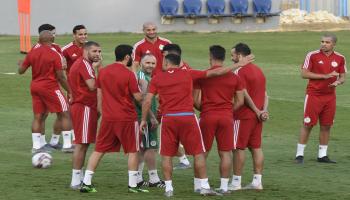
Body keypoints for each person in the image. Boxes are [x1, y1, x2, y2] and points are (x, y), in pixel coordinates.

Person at [140, 53, 252, 197]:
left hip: (169, 119)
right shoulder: (188, 74)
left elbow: (147, 101)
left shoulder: (157, 78)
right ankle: (204, 186)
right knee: (198, 153)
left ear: (166, 63)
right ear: (178, 62)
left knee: (167, 155)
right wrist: (238, 65)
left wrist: (144, 119)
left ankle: (169, 189)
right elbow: (216, 72)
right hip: (188, 117)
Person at [80, 45, 148, 193]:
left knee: (99, 150)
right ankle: (133, 185)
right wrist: (145, 91)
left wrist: (101, 111)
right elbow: (138, 98)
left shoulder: (103, 72)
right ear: (127, 57)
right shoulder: (129, 74)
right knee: (133, 150)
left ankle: (86, 182)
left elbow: (99, 93)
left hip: (108, 118)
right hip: (127, 118)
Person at [193, 45, 244, 194]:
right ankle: (224, 186)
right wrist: (228, 111)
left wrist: (205, 110)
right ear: (223, 58)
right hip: (227, 118)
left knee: (201, 152)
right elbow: (240, 101)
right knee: (225, 153)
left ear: (210, 57)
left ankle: (199, 184)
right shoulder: (235, 77)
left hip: (207, 117)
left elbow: (194, 100)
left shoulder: (203, 76)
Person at [294, 33, 346, 164]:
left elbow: (342, 76)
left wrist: (338, 82)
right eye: (322, 41)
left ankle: (322, 155)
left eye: (327, 42)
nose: (323, 44)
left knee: (326, 125)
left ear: (334, 44)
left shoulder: (340, 58)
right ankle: (299, 155)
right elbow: (304, 74)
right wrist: (325, 76)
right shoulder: (312, 55)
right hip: (314, 95)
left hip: (330, 97)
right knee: (308, 124)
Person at [18, 30, 73, 154]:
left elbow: (21, 71)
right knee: (65, 113)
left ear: (39, 40)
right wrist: (70, 91)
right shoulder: (55, 54)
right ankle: (68, 145)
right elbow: (61, 77)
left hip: (35, 87)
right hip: (50, 87)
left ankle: (36, 147)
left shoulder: (32, 53)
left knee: (38, 116)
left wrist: (21, 64)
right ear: (52, 40)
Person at [230, 43, 269, 191]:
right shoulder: (259, 70)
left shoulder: (239, 71)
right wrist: (263, 111)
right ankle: (257, 181)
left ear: (240, 56)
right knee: (256, 148)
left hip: (243, 116)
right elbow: (265, 94)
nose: (231, 58)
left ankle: (236, 182)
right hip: (257, 118)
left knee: (238, 148)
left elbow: (243, 94)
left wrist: (256, 110)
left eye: (233, 55)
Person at [68, 41, 102, 189]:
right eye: (94, 51)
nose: (98, 55)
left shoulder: (82, 64)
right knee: (81, 144)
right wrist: (97, 70)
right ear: (85, 51)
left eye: (99, 52)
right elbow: (93, 86)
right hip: (84, 108)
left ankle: (79, 176)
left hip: (84, 107)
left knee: (84, 143)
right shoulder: (84, 64)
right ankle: (75, 180)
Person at [36, 24, 74, 153]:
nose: (55, 35)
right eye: (53, 33)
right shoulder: (36, 49)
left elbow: (62, 65)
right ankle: (41, 143)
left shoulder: (57, 48)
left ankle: (53, 141)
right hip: (48, 86)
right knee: (43, 114)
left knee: (61, 113)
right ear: (44, 35)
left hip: (54, 85)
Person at [135, 54, 165, 188]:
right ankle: (154, 179)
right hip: (145, 118)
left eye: (153, 63)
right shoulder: (142, 78)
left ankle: (138, 178)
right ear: (141, 63)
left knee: (142, 148)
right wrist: (152, 118)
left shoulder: (145, 76)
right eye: (147, 63)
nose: (150, 66)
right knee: (150, 148)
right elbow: (143, 100)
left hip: (143, 116)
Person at [161, 44, 192, 170]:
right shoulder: (172, 69)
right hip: (170, 108)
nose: (162, 59)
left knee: (171, 138)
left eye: (164, 56)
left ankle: (185, 161)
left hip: (177, 110)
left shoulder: (185, 71)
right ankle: (183, 160)